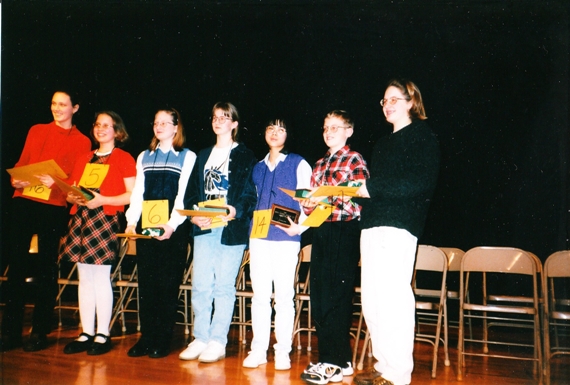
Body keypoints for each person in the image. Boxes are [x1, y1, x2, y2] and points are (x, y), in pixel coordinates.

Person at [353, 79, 440, 385]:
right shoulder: (382, 143)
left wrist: (369, 187)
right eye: (384, 101)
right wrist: (347, 192)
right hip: (373, 225)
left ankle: (399, 374)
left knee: (393, 299)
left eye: (393, 99)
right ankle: (383, 365)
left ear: (411, 101)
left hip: (400, 225)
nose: (387, 105)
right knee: (372, 301)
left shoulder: (423, 137)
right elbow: (373, 190)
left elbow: (417, 183)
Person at [0, 90, 91, 352]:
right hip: (24, 202)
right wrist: (15, 180)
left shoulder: (82, 141)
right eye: (53, 103)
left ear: (75, 108)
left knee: (46, 269)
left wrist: (57, 184)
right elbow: (22, 163)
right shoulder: (37, 130)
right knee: (16, 267)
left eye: (62, 104)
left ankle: (39, 331)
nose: (57, 108)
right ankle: (10, 332)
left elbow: (76, 184)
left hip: (52, 207)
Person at [179, 102, 257, 363]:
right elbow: (191, 192)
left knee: (223, 286)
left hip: (230, 228)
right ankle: (200, 337)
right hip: (204, 228)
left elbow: (250, 194)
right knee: (201, 284)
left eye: (225, 117)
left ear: (235, 123)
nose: (218, 121)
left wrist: (235, 211)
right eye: (215, 117)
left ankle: (217, 340)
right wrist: (194, 214)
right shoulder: (202, 155)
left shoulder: (245, 155)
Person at [299, 110, 369, 385]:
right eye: (326, 128)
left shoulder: (355, 158)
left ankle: (335, 362)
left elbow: (360, 195)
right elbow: (312, 202)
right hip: (322, 229)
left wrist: (330, 197)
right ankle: (337, 359)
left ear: (348, 131)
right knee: (321, 295)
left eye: (335, 128)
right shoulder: (318, 164)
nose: (329, 132)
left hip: (345, 228)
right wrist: (308, 203)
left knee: (337, 295)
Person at [59, 111, 136, 355]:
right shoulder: (84, 158)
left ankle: (103, 333)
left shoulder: (123, 158)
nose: (101, 129)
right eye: (98, 125)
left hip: (105, 218)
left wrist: (103, 200)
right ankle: (86, 332)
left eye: (107, 125)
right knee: (84, 277)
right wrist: (71, 195)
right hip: (82, 218)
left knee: (101, 277)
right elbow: (72, 189)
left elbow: (132, 195)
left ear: (117, 131)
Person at [124, 108, 196, 358]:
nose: (160, 126)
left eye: (165, 122)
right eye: (156, 122)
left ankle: (163, 339)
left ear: (176, 127)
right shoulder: (144, 156)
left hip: (172, 229)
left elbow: (184, 194)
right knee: (147, 284)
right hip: (146, 227)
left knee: (167, 284)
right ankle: (147, 337)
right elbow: (138, 193)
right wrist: (132, 222)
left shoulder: (187, 156)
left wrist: (172, 225)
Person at [242, 119, 312, 371]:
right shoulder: (257, 167)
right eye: (270, 128)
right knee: (259, 297)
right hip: (259, 239)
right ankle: (258, 349)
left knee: (284, 297)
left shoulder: (298, 163)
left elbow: (309, 201)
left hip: (285, 241)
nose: (274, 132)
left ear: (288, 134)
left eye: (281, 128)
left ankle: (283, 350)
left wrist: (300, 227)